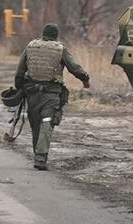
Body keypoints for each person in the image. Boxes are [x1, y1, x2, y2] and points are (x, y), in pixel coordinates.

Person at [14, 23, 90, 170]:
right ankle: (40, 158)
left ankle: (38, 154)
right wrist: (85, 79)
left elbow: (20, 71)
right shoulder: (60, 49)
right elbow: (74, 68)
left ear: (43, 34)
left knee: (36, 123)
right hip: (51, 93)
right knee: (47, 122)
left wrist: (19, 88)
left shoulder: (31, 46)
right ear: (56, 35)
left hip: (31, 92)